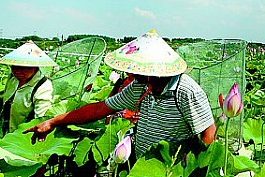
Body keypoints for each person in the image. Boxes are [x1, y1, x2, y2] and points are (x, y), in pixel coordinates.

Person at [24, 30, 217, 159]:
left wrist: (194, 170)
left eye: (137, 69)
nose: (132, 73)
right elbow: (100, 109)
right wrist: (53, 122)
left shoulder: (186, 90)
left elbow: (209, 131)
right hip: (142, 168)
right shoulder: (141, 86)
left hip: (173, 172)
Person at [0, 41, 57, 133]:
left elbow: (41, 119)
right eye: (14, 67)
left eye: (23, 67)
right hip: (4, 131)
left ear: (35, 66)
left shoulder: (43, 86)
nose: (17, 71)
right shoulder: (12, 79)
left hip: (26, 134)